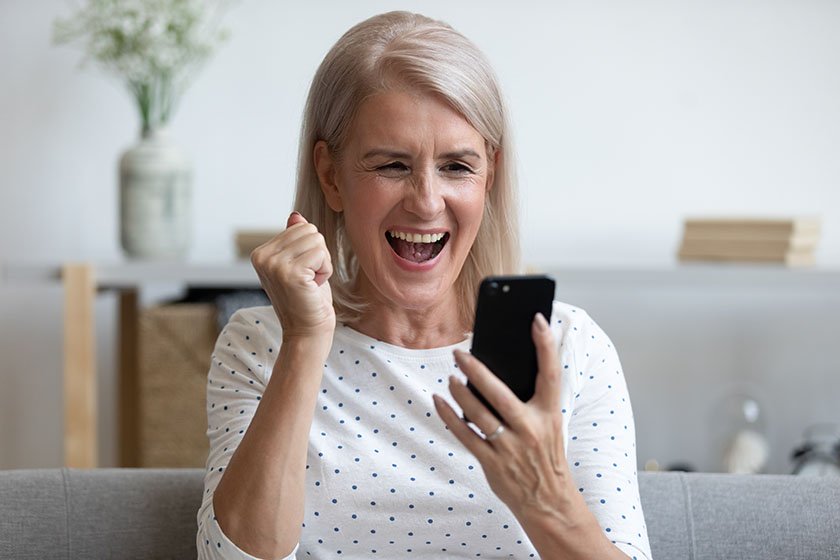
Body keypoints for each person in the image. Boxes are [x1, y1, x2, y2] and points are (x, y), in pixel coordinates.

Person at [196, 10, 651, 560]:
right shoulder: (262, 344)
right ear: (331, 174)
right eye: (392, 165)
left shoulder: (571, 349)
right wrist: (307, 339)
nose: (427, 201)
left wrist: (544, 497)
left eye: (457, 167)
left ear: (491, 176)